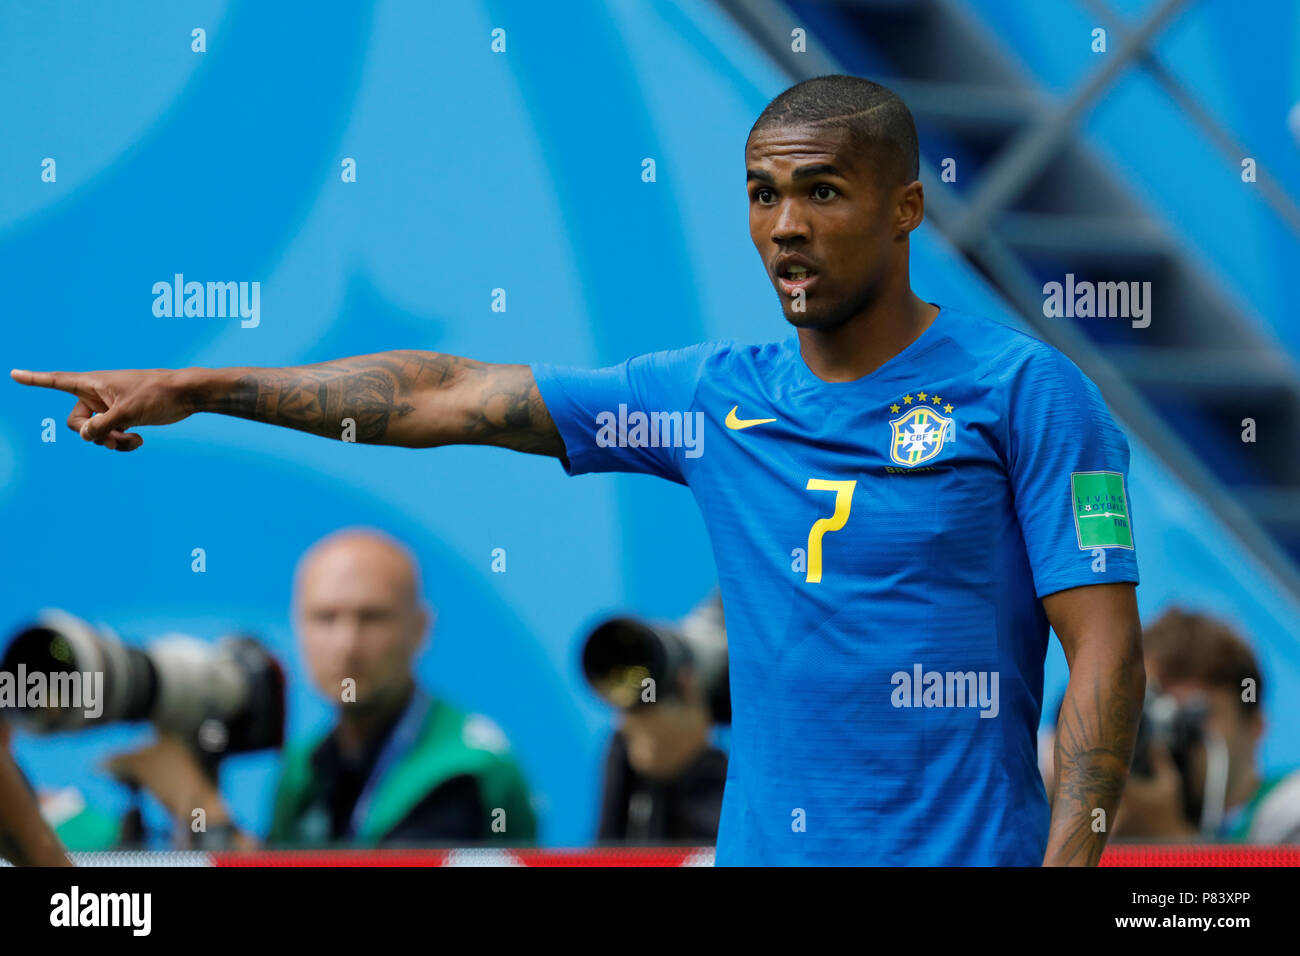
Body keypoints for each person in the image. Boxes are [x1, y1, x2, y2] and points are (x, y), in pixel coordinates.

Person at [11, 74, 1144, 865]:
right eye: (762, 193)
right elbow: (443, 392)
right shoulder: (711, 396)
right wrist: (199, 385)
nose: (785, 225)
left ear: (905, 208)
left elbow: (1103, 647)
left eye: (822, 192)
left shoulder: (1026, 393)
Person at [106, 529, 537, 848]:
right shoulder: (305, 767)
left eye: (371, 618)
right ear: (298, 627)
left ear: (420, 629)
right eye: (325, 618)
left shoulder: (465, 768)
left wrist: (195, 802)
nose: (346, 645)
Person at [1115, 608, 1300, 843]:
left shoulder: (1290, 808)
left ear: (1255, 726)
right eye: (1155, 710)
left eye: (1195, 715)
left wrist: (1169, 837)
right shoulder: (1120, 817)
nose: (1173, 732)